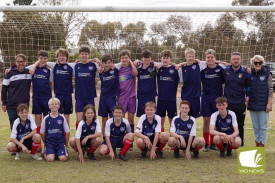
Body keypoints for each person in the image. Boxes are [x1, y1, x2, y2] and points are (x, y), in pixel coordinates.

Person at [223, 52, 251, 146]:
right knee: (227, 124)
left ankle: (240, 143)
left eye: (237, 59)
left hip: (240, 102)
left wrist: (247, 100)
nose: (236, 60)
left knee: (240, 124)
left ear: (240, 60)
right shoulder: (225, 71)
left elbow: (248, 87)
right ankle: (227, 144)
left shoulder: (245, 72)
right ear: (231, 60)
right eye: (234, 59)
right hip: (228, 103)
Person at [200, 49, 224, 152]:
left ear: (215, 58)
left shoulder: (221, 70)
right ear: (205, 59)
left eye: (211, 57)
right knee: (206, 120)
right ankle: (206, 143)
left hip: (217, 99)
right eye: (208, 57)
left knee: (215, 121)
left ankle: (214, 143)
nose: (210, 59)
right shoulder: (203, 72)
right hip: (206, 98)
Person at [247, 55, 273, 147]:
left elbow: (270, 89)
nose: (257, 64)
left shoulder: (267, 74)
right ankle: (257, 143)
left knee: (263, 127)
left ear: (262, 63)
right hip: (253, 104)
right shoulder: (250, 74)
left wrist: (269, 104)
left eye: (259, 63)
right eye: (255, 63)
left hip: (264, 104)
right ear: (252, 64)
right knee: (256, 126)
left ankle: (262, 144)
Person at [1, 54, 32, 130]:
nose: (20, 63)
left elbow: (41, 63)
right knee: (14, 127)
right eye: (18, 62)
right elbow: (4, 89)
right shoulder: (9, 74)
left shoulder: (29, 73)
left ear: (25, 62)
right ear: (15, 62)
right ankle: (14, 142)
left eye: (22, 61)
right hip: (12, 105)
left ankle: (24, 142)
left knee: (24, 127)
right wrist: (4, 103)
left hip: (24, 105)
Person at [74, 46, 99, 130]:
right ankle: (79, 139)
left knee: (90, 119)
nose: (84, 56)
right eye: (82, 54)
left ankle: (90, 139)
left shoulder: (93, 65)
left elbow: (103, 67)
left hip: (90, 96)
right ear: (79, 55)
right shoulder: (76, 66)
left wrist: (95, 59)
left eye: (86, 54)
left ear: (89, 55)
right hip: (79, 97)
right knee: (79, 120)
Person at [40, 98, 70, 162]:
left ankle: (62, 152)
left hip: (60, 143)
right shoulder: (46, 118)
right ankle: (44, 152)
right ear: (49, 106)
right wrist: (45, 142)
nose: (54, 106)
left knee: (63, 159)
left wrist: (66, 144)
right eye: (52, 104)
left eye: (56, 104)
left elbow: (67, 132)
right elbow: (42, 132)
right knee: (50, 159)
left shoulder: (62, 118)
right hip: (50, 143)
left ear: (59, 106)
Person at [156, 50, 179, 132]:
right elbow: (148, 62)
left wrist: (174, 64)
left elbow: (182, 65)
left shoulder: (175, 69)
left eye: (167, 58)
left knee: (172, 121)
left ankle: (172, 141)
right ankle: (162, 140)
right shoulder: (159, 69)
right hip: (161, 99)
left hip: (171, 100)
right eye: (163, 58)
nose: (165, 60)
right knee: (161, 121)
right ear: (161, 59)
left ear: (170, 59)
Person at [117, 50, 138, 135]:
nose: (124, 59)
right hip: (121, 97)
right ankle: (122, 138)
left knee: (131, 119)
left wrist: (132, 64)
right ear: (120, 59)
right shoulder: (118, 69)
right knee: (121, 118)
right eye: (123, 58)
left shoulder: (132, 68)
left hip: (131, 97)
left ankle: (130, 139)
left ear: (129, 58)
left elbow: (136, 73)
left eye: (126, 57)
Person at [32, 50, 53, 135]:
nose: (43, 60)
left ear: (47, 59)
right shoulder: (33, 69)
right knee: (37, 120)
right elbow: (22, 68)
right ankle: (37, 143)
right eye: (41, 58)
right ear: (38, 58)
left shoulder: (49, 70)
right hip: (36, 98)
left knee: (46, 121)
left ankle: (46, 143)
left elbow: (50, 84)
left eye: (45, 58)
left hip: (46, 98)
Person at [98, 54, 119, 136]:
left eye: (109, 62)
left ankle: (113, 137)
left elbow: (124, 62)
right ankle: (105, 138)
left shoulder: (116, 70)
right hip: (103, 98)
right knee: (104, 120)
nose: (107, 64)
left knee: (113, 119)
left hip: (112, 98)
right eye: (105, 63)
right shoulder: (100, 72)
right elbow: (95, 61)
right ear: (102, 63)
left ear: (112, 63)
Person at [179, 48, 201, 118]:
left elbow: (211, 61)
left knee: (194, 118)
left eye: (193, 56)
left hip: (196, 96)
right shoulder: (181, 69)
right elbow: (180, 82)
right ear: (186, 57)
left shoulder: (199, 65)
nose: (191, 58)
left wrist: (224, 63)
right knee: (184, 117)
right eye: (189, 56)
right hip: (186, 96)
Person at [135, 50, 158, 117]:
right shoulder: (138, 68)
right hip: (141, 96)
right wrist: (135, 61)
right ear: (142, 58)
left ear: (151, 58)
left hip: (151, 95)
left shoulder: (154, 67)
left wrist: (154, 62)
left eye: (149, 57)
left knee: (152, 115)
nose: (147, 59)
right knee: (142, 116)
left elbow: (166, 63)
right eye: (145, 57)